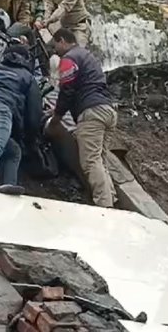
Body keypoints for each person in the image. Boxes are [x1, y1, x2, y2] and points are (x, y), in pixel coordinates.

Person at [46, 29, 117, 208]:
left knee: (90, 161)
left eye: (55, 46)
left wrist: (57, 117)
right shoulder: (87, 56)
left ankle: (104, 205)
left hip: (91, 113)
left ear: (62, 40)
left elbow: (67, 90)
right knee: (100, 159)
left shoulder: (69, 58)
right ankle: (111, 199)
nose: (55, 51)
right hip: (107, 110)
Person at [0, 45, 43, 195]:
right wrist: (31, 138)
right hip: (1, 111)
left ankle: (8, 185)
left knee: (13, 150)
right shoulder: (27, 77)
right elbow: (33, 114)